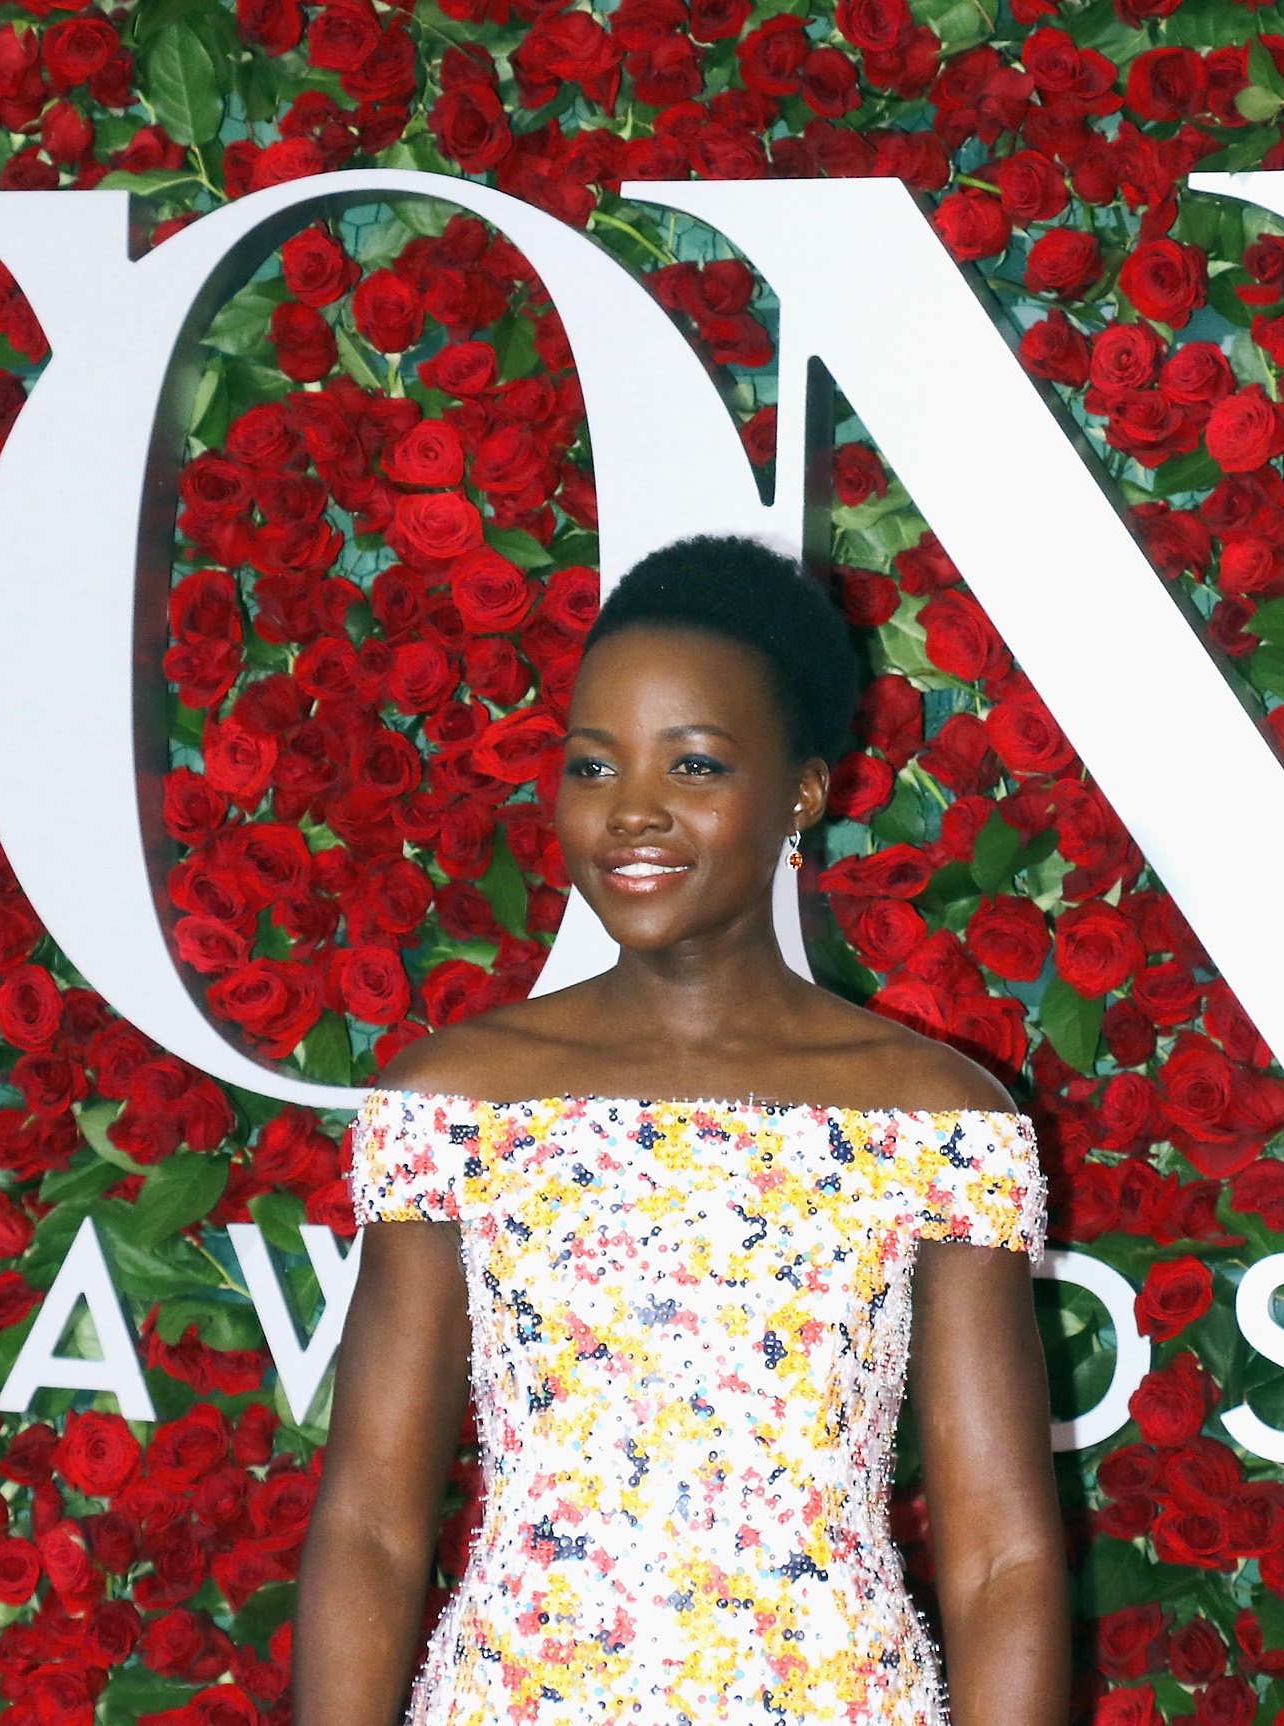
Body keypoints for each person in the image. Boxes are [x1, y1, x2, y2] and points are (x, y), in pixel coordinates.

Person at [292, 534, 1067, 1726]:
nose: (634, 814)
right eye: (594, 769)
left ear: (804, 793)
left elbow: (1000, 1560)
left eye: (694, 766)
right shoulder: (457, 1104)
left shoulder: (938, 1122)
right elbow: (372, 1527)